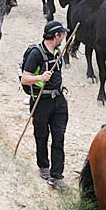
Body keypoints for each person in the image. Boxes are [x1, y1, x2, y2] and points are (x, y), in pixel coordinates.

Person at [20, 20, 70, 191]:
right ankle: (43, 166)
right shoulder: (36, 54)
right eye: (62, 34)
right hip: (41, 101)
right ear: (56, 35)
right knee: (41, 136)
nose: (64, 37)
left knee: (59, 137)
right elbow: (24, 78)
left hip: (59, 100)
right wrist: (40, 78)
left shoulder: (58, 52)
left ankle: (56, 175)